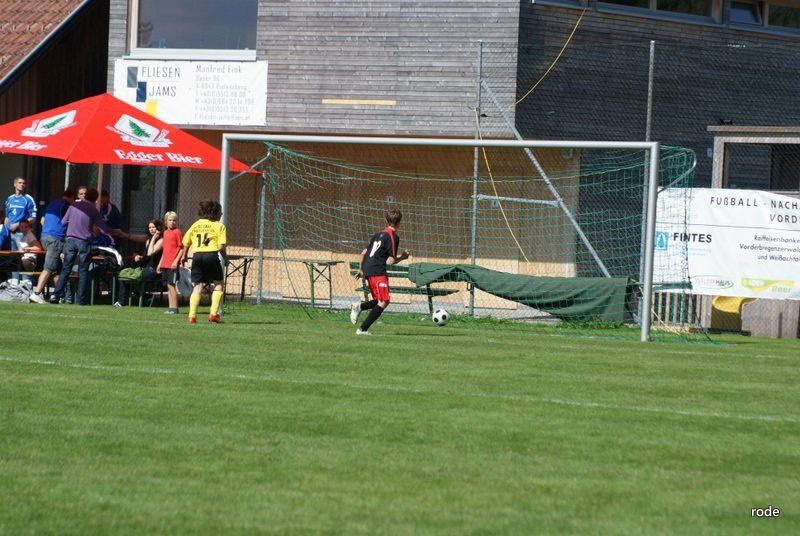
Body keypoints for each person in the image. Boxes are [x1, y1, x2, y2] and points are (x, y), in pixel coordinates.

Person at [350, 209, 410, 335]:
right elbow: (391, 261)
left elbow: (363, 253)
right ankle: (362, 329)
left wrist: (361, 269)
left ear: (386, 220)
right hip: (377, 269)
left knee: (379, 300)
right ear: (399, 222)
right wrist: (403, 257)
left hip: (368, 269)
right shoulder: (393, 236)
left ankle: (359, 307)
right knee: (384, 301)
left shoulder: (378, 234)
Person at [49, 188, 103, 306]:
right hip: (84, 241)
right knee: (83, 271)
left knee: (66, 269)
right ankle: (80, 300)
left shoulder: (73, 206)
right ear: (95, 199)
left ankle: (56, 295)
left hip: (70, 240)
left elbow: (63, 222)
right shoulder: (93, 209)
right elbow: (98, 229)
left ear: (85, 196)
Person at [182, 200, 226, 324]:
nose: (221, 214)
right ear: (215, 213)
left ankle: (192, 316)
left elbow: (186, 242)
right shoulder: (219, 226)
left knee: (198, 285)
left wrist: (184, 256)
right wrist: (226, 258)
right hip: (211, 255)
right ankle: (213, 314)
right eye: (220, 212)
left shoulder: (196, 225)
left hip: (197, 256)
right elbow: (221, 247)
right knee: (218, 283)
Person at [30, 189, 75, 304]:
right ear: (71, 197)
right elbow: (68, 222)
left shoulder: (52, 203)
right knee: (49, 268)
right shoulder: (66, 206)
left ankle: (59, 296)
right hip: (55, 238)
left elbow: (42, 221)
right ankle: (37, 293)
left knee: (56, 269)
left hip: (44, 236)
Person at [114, 219, 163, 307]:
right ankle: (144, 298)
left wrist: (154, 238)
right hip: (144, 268)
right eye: (150, 227)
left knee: (133, 277)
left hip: (153, 269)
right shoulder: (148, 240)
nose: (151, 229)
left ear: (158, 228)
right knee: (123, 275)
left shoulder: (161, 240)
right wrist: (139, 257)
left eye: (153, 227)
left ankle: (123, 301)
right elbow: (146, 256)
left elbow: (150, 253)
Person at [158, 211, 184, 314]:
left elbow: (181, 248)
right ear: (166, 221)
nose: (172, 222)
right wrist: (160, 264)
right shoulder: (165, 233)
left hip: (172, 265)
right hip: (165, 264)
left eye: (174, 220)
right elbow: (165, 250)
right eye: (170, 220)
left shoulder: (177, 232)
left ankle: (175, 308)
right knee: (168, 286)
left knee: (171, 285)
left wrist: (175, 261)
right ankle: (170, 307)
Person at [4, 176, 37, 251]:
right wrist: (5, 230)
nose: (22, 184)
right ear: (15, 184)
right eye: (20, 183)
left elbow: (33, 218)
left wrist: (18, 224)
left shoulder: (28, 199)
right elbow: (7, 217)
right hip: (9, 233)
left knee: (21, 254)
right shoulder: (9, 199)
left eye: (24, 183)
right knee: (8, 255)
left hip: (21, 233)